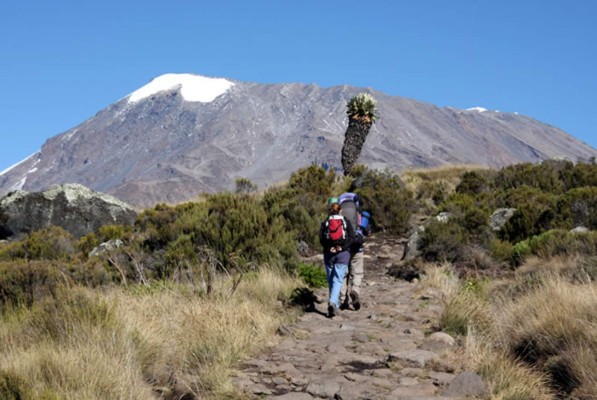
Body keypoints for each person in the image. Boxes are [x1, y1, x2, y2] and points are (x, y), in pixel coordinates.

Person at [319, 202, 356, 318]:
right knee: (338, 280)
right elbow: (352, 237)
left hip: (329, 255)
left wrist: (329, 248)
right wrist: (343, 247)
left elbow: (321, 238)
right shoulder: (345, 221)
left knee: (331, 280)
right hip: (342, 255)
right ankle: (333, 303)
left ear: (330, 211)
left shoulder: (325, 222)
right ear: (340, 210)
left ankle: (333, 303)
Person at [338, 192, 371, 311]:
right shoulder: (360, 215)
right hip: (357, 245)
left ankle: (343, 300)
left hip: (343, 245)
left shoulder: (339, 214)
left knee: (343, 274)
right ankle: (355, 290)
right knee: (357, 272)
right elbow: (367, 231)